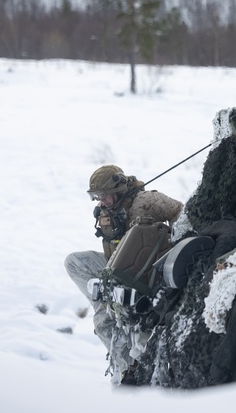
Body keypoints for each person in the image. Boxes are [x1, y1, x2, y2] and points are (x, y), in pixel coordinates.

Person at [64, 164, 183, 384]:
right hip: (115, 269)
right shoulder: (106, 211)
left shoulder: (147, 202)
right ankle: (104, 303)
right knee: (74, 262)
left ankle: (131, 370)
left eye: (104, 195)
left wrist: (173, 249)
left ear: (119, 188)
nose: (101, 201)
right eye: (96, 196)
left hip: (146, 272)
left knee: (107, 323)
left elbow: (180, 211)